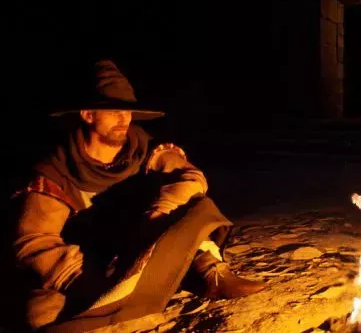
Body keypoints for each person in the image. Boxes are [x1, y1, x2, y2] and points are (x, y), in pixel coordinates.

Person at [9, 60, 266, 332]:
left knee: (196, 207)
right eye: (114, 112)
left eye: (127, 111)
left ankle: (207, 272)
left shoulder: (145, 149)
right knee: (41, 312)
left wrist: (160, 212)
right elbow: (34, 240)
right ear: (88, 115)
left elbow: (191, 177)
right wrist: (85, 281)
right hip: (89, 261)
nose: (124, 119)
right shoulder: (56, 170)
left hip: (142, 245)